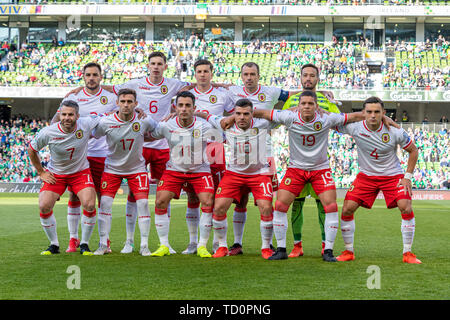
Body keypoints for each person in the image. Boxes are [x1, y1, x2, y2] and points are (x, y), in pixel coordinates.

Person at [249, 91, 393, 261]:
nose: (307, 107)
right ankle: (281, 249)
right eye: (304, 104)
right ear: (299, 105)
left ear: (316, 106)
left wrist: (381, 117)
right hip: (296, 169)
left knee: (330, 207)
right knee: (280, 205)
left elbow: (352, 116)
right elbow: (262, 112)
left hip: (320, 170)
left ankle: (328, 252)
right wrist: (236, 116)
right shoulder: (289, 116)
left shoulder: (327, 118)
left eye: (311, 104)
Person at [225, 62, 301, 256]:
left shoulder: (271, 91)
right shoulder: (232, 92)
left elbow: (294, 96)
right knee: (240, 201)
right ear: (241, 76)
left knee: (266, 202)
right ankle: (237, 244)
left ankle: (268, 245)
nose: (249, 77)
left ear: (259, 76)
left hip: (265, 156)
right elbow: (217, 90)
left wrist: (321, 92)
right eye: (246, 74)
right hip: (239, 155)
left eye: (252, 74)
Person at [335, 96, 421, 264]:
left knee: (405, 206)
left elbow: (414, 151)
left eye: (377, 112)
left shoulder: (395, 131)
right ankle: (348, 251)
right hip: (366, 176)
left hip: (392, 176)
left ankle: (408, 253)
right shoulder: (355, 128)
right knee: (347, 209)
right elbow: (331, 122)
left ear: (383, 113)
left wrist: (407, 177)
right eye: (369, 112)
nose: (373, 115)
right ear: (363, 113)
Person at [196, 98, 276, 259]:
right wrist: (189, 112)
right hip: (233, 174)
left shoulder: (263, 124)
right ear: (233, 114)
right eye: (238, 114)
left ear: (252, 114)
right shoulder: (225, 124)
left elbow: (284, 116)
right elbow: (206, 115)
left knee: (266, 207)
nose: (241, 117)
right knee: (218, 208)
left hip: (259, 173)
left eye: (246, 114)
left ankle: (266, 248)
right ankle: (223, 246)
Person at [53, 62, 118, 254]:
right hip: (78, 155)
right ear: (83, 76)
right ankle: (73, 240)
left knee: (101, 198)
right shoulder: (73, 97)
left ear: (101, 77)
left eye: (95, 75)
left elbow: (125, 111)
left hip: (102, 154)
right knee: (74, 196)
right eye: (88, 75)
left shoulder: (111, 98)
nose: (91, 78)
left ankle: (104, 240)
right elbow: (56, 121)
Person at [282, 63, 342, 258]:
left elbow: (337, 122)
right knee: (296, 203)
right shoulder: (291, 100)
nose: (308, 79)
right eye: (305, 75)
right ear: (300, 78)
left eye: (312, 76)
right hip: (298, 163)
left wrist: (323, 114)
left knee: (323, 205)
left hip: (319, 163)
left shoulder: (326, 100)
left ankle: (326, 245)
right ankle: (297, 245)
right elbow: (285, 120)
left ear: (318, 79)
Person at [147, 91, 216, 258]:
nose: (184, 109)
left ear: (194, 108)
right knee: (160, 201)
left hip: (200, 170)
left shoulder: (205, 127)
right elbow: (148, 135)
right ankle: (164, 245)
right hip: (174, 170)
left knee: (207, 202)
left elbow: (223, 135)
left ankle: (201, 245)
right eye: (181, 105)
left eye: (188, 106)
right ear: (175, 107)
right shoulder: (166, 126)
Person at [92, 89, 158, 256]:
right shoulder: (106, 122)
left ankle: (143, 245)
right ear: (117, 103)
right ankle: (102, 244)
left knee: (143, 204)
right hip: (112, 169)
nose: (126, 105)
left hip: (137, 169)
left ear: (136, 104)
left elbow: (157, 131)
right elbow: (94, 134)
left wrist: (144, 138)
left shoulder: (144, 120)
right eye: (123, 101)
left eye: (130, 102)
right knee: (105, 204)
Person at [180, 59, 236, 255]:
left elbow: (234, 115)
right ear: (194, 74)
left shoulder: (222, 94)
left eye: (206, 71)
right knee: (193, 197)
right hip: (193, 148)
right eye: (199, 71)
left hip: (215, 149)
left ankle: (218, 242)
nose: (202, 74)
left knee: (217, 197)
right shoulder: (187, 95)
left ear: (212, 73)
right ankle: (193, 243)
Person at [28, 100, 99, 256]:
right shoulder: (48, 132)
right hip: (57, 174)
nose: (67, 118)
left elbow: (110, 115)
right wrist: (41, 172)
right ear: (59, 114)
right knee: (44, 205)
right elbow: (31, 150)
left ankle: (85, 244)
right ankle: (54, 245)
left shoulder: (86, 123)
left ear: (77, 116)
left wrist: (137, 110)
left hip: (80, 172)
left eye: (71, 115)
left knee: (89, 204)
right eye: (64, 114)